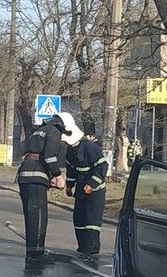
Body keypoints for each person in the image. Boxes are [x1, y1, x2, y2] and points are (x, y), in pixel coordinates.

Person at [15, 112, 78, 262]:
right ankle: (37, 253)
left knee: (30, 215)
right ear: (63, 125)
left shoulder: (38, 131)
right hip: (35, 175)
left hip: (25, 174)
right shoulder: (54, 132)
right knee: (39, 215)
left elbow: (36, 153)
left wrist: (49, 178)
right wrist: (57, 176)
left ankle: (31, 252)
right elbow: (50, 157)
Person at [65, 120, 108, 259]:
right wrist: (70, 185)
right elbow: (71, 170)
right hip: (80, 189)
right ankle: (83, 248)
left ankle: (92, 249)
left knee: (92, 220)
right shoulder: (70, 151)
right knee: (79, 218)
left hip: (95, 191)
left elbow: (102, 167)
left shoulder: (90, 148)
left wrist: (92, 184)